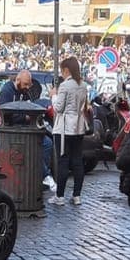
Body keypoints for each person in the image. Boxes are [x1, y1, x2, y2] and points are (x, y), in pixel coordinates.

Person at [0, 70, 56, 192]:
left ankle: (38, 175)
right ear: (17, 81)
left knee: (47, 144)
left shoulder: (25, 92)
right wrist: (24, 117)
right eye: (25, 84)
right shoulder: (6, 92)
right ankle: (45, 175)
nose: (27, 87)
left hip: (26, 128)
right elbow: (4, 114)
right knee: (32, 147)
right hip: (13, 130)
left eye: (29, 85)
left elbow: (30, 106)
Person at [49, 57, 89, 206]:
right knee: (78, 161)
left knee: (63, 160)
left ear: (66, 70)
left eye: (62, 71)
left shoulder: (65, 86)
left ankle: (59, 196)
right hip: (79, 126)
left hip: (64, 128)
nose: (62, 74)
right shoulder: (83, 85)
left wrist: (53, 95)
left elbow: (58, 108)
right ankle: (77, 195)